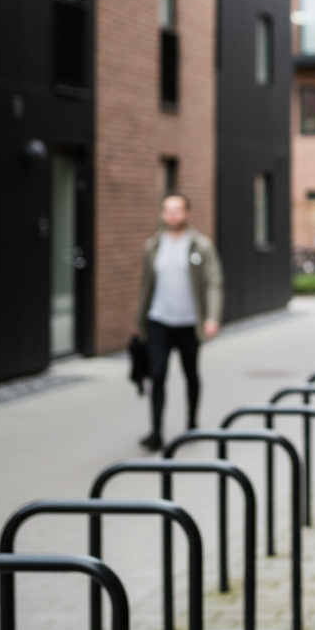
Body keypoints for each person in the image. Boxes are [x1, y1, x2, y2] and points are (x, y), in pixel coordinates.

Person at [135, 193, 223, 450]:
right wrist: (139, 321)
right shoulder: (152, 246)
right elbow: (146, 287)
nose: (172, 215)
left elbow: (214, 283)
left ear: (187, 214)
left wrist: (211, 318)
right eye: (167, 210)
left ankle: (192, 423)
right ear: (162, 215)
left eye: (177, 210)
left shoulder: (200, 245)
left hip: (188, 323)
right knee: (157, 374)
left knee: (190, 373)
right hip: (159, 320)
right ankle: (156, 431)